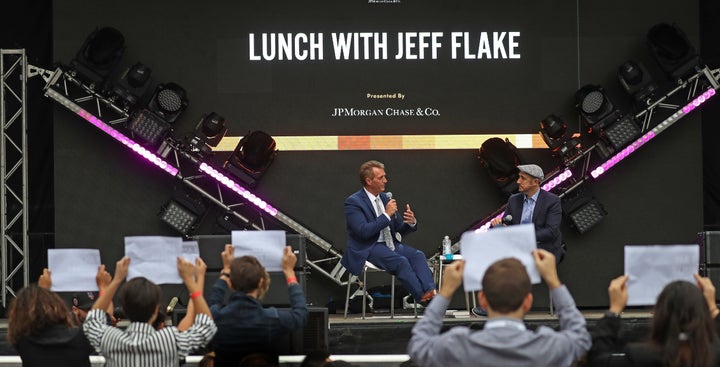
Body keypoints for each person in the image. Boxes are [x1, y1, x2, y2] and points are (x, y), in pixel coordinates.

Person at [407, 249, 591, 367]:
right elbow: (581, 338)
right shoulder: (549, 346)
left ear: (482, 300)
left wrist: (445, 291)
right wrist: (553, 281)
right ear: (528, 302)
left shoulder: (457, 346)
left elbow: (418, 345)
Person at [83, 256, 217, 367]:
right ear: (156, 309)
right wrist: (191, 281)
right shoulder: (171, 340)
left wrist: (114, 282)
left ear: (124, 309)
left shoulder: (110, 339)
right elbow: (206, 326)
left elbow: (92, 320)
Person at [341, 160, 437, 306]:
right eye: (381, 178)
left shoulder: (385, 197)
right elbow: (363, 232)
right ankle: (424, 299)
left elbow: (397, 227)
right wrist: (386, 215)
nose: (385, 180)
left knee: (418, 255)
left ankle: (432, 294)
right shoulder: (353, 202)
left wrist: (410, 222)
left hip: (390, 243)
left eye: (385, 176)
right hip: (369, 247)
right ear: (368, 180)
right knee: (401, 262)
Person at [587, 274, 720, 367]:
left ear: (658, 315)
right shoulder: (713, 355)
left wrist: (614, 310)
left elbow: (597, 360)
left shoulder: (639, 357)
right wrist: (713, 308)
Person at [208, 244, 308, 366]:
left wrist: (226, 271)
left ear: (230, 284)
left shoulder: (216, 317)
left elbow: (213, 303)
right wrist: (289, 272)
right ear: (261, 283)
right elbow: (301, 315)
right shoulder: (272, 319)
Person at [490, 164, 563, 262]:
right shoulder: (514, 199)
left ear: (535, 182)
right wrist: (500, 223)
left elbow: (551, 231)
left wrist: (523, 236)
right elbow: (508, 222)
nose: (518, 181)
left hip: (541, 247)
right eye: (519, 177)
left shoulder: (552, 201)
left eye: (523, 178)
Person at [7, 285, 95, 367]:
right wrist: (105, 287)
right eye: (87, 309)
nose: (91, 312)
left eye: (93, 309)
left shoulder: (23, 341)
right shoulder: (79, 337)